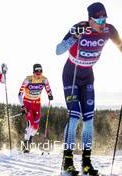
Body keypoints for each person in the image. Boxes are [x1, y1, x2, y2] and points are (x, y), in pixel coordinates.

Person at [56, 2, 122, 175]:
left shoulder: (110, 30)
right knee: (73, 118)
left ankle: (86, 162)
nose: (102, 24)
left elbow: (120, 46)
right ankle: (68, 161)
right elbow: (58, 50)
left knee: (88, 120)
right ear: (90, 20)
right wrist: (74, 38)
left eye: (104, 20)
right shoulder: (79, 28)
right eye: (98, 21)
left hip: (87, 78)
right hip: (71, 75)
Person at [18, 63, 53, 153]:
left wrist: (50, 95)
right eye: (37, 71)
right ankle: (26, 145)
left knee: (35, 127)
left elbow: (48, 89)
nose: (38, 73)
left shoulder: (44, 79)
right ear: (33, 72)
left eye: (40, 71)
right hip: (27, 103)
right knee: (30, 124)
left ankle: (29, 139)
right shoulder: (28, 80)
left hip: (37, 104)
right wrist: (22, 106)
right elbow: (20, 94)